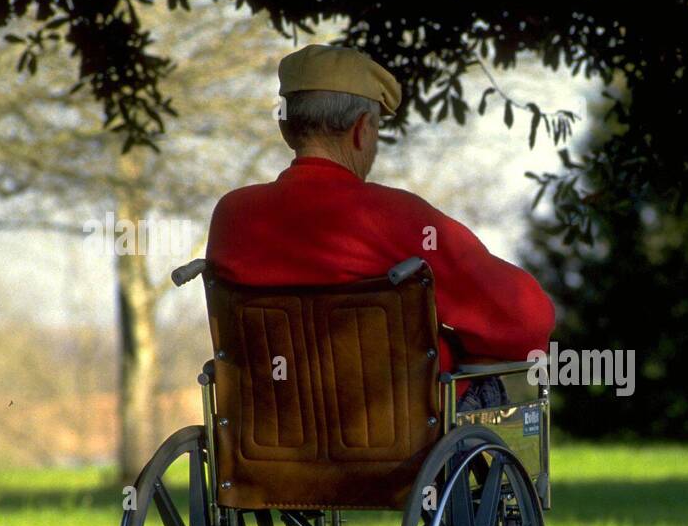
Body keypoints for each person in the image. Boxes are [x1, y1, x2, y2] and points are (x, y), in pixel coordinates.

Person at [205, 43, 555, 410]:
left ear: (286, 128)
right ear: (362, 129)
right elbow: (527, 322)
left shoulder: (232, 216)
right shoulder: (397, 218)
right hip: (398, 440)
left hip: (271, 441)